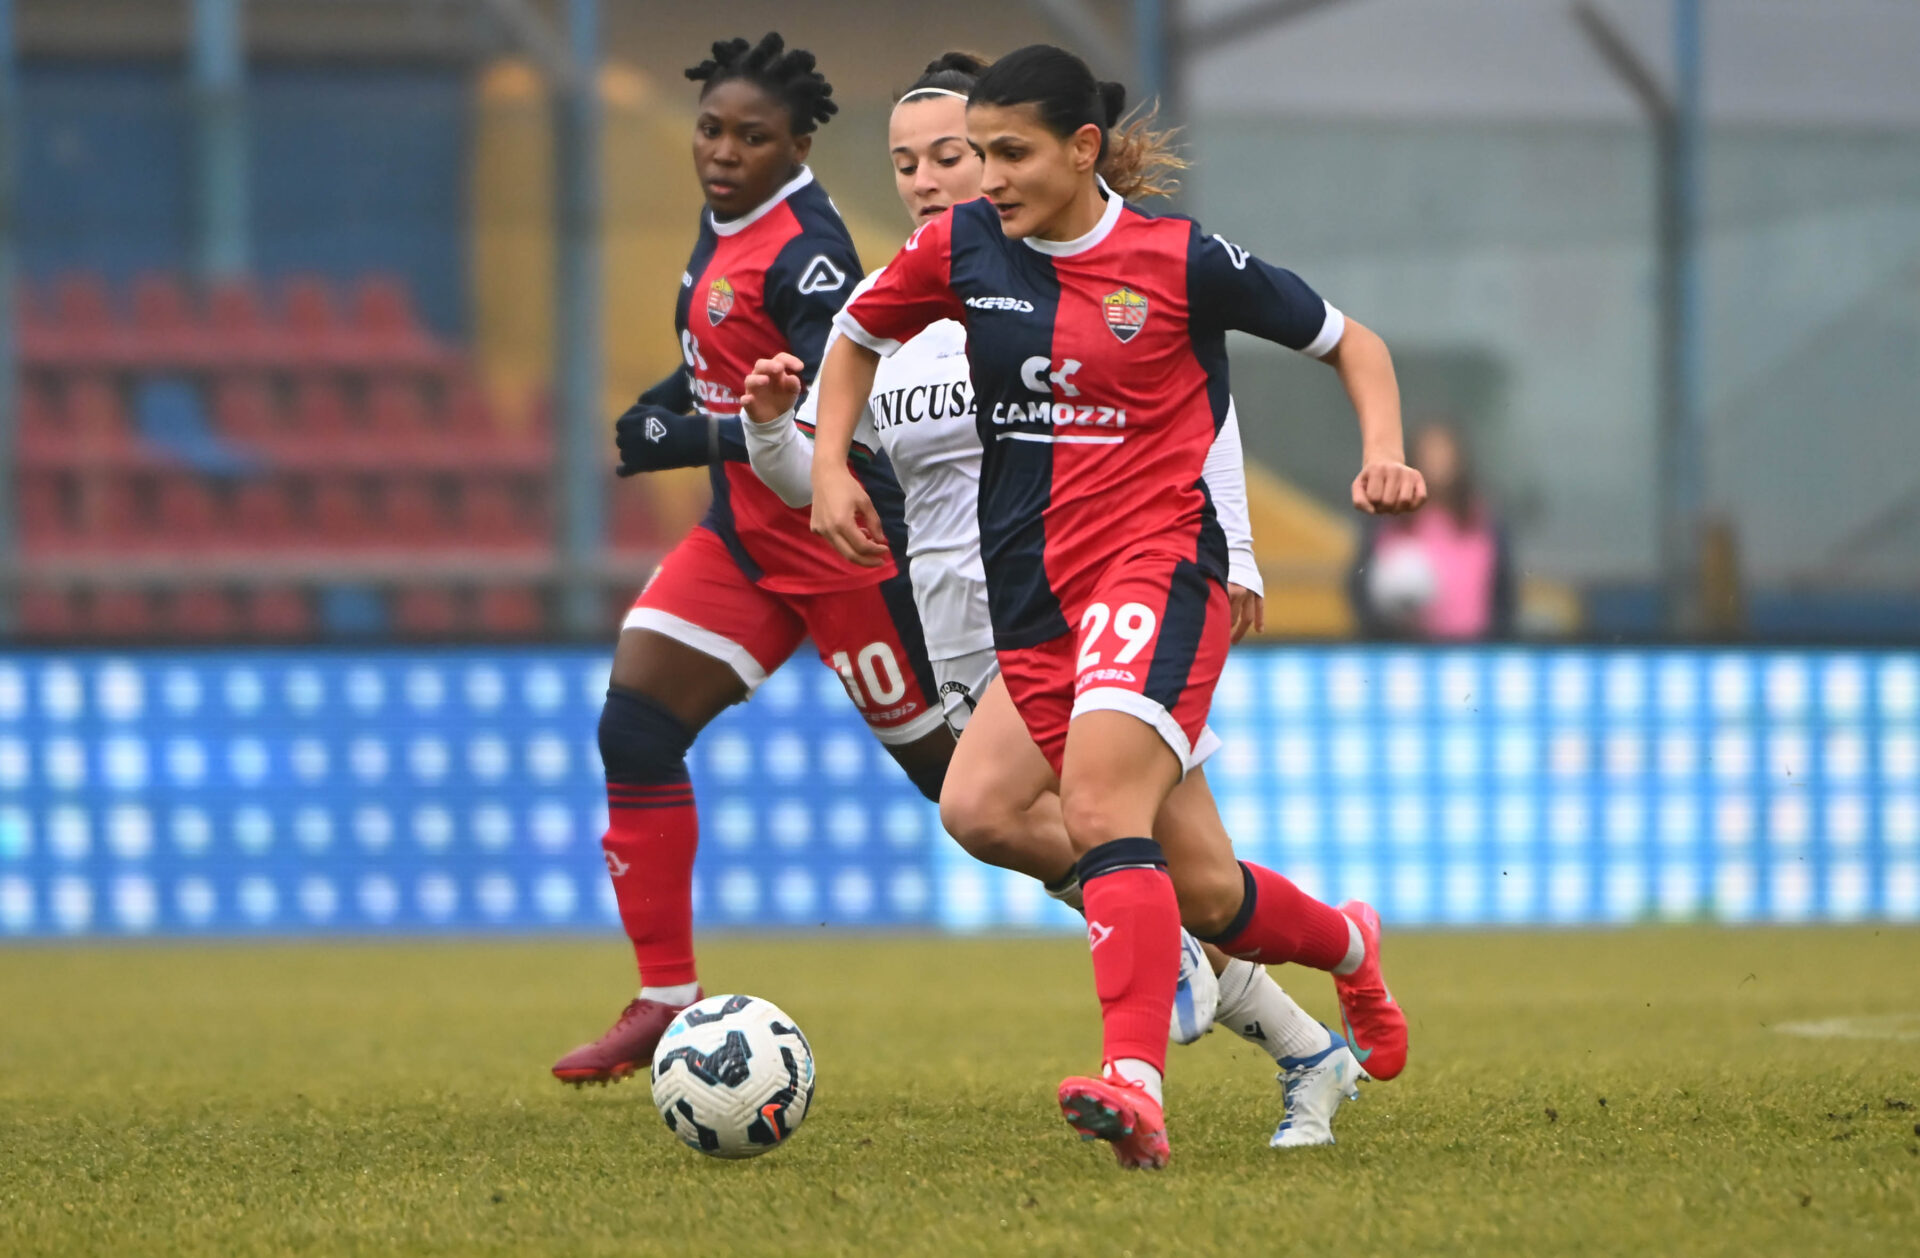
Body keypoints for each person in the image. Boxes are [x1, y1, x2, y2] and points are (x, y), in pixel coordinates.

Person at [801, 44, 1424, 1169]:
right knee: (1173, 876)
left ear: (1083, 148)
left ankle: (1134, 1081)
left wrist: (1382, 450)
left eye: (1008, 153)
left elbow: (1353, 343)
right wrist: (833, 464)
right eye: (975, 153)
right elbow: (854, 335)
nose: (986, 177)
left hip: (1156, 571)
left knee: (1096, 806)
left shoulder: (1178, 260)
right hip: (1033, 597)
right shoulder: (961, 250)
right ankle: (1346, 946)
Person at [550, 33, 954, 1087]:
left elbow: (823, 406)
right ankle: (664, 998)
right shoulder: (726, 215)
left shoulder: (809, 251)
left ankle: (1163, 919)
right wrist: (668, 400)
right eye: (710, 130)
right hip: (743, 538)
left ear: (798, 146)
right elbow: (730, 356)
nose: (723, 152)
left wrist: (691, 435)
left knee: (968, 797)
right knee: (635, 727)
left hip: (841, 547)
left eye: (751, 137)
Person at [1349, 421, 1516, 640]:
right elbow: (1361, 587)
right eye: (1429, 454)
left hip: (1473, 646)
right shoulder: (1388, 518)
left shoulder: (1484, 518)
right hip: (1406, 646)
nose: (1437, 462)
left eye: (1444, 453)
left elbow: (1504, 592)